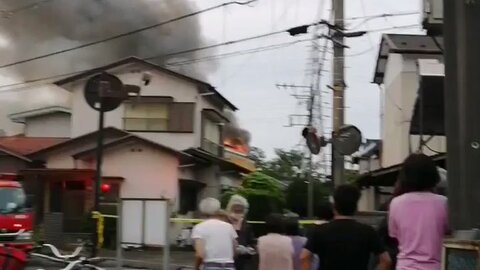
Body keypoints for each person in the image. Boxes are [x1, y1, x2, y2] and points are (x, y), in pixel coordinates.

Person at [300, 185, 391, 270]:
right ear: (355, 207)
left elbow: (304, 257)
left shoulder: (319, 231)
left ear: (334, 206)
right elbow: (386, 260)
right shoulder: (368, 231)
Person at [388, 154, 449, 270]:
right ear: (433, 175)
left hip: (405, 267)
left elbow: (394, 234)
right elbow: (449, 233)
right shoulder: (444, 203)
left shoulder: (396, 203)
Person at [191, 198, 238, 270]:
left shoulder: (199, 227)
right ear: (218, 210)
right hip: (229, 265)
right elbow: (234, 248)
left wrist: (196, 268)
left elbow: (200, 254)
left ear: (202, 211)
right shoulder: (228, 227)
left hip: (210, 265)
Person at [226, 195, 255, 270]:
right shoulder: (225, 224)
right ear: (229, 210)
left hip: (242, 264)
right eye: (235, 210)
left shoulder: (247, 226)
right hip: (227, 263)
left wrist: (246, 250)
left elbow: (252, 245)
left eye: (240, 211)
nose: (237, 213)